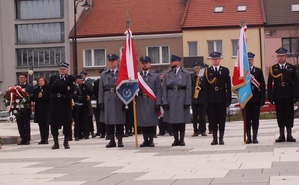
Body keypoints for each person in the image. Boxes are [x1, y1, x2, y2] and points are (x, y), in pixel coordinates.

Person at [268, 47, 299, 142]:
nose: (281, 58)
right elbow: (269, 84)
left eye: (283, 56)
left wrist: (296, 95)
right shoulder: (273, 69)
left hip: (289, 95)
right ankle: (281, 135)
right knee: (280, 115)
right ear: (277, 57)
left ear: (286, 57)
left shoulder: (291, 68)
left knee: (289, 115)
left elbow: (296, 83)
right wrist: (270, 96)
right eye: (279, 56)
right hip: (278, 96)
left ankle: (289, 134)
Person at [162, 54, 191, 146]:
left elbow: (188, 88)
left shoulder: (185, 73)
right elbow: (164, 89)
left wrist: (187, 101)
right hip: (171, 97)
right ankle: (175, 139)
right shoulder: (167, 74)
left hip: (181, 96)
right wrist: (165, 101)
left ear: (178, 62)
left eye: (173, 61)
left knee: (181, 120)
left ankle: (182, 139)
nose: (171, 63)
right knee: (173, 120)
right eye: (171, 61)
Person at [203, 52, 231, 145]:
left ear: (219, 60)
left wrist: (228, 99)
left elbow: (228, 86)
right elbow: (205, 87)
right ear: (211, 60)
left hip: (222, 98)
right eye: (213, 59)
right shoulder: (207, 71)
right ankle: (214, 138)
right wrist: (206, 101)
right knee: (213, 119)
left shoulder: (225, 71)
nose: (215, 60)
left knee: (221, 119)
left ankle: (221, 138)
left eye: (216, 59)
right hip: (211, 100)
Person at [98, 54, 126, 148]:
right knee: (109, 121)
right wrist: (100, 101)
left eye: (113, 61)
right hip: (108, 98)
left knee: (119, 121)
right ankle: (111, 140)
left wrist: (126, 101)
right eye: (110, 61)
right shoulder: (104, 74)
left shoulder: (121, 72)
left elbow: (126, 87)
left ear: (117, 62)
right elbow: (101, 89)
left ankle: (120, 140)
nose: (111, 62)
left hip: (119, 98)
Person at [48, 62, 75, 149]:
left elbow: (70, 90)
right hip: (55, 103)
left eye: (63, 69)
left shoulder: (70, 78)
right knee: (53, 123)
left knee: (67, 123)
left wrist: (62, 85)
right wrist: (54, 85)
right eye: (60, 69)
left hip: (65, 102)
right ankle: (56, 142)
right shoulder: (53, 78)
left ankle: (66, 142)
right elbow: (49, 89)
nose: (62, 71)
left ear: (67, 70)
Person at [136, 56, 162, 147]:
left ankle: (151, 140)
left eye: (146, 63)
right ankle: (145, 140)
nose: (144, 65)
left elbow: (158, 90)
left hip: (151, 100)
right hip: (141, 100)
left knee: (151, 121)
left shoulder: (155, 76)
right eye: (143, 63)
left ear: (149, 64)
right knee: (143, 122)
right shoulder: (137, 76)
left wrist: (158, 103)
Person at [244, 52, 265, 144]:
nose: (249, 61)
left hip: (256, 99)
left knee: (255, 119)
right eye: (248, 60)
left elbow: (263, 86)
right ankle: (248, 137)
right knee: (247, 119)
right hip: (246, 99)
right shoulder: (243, 72)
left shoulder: (258, 71)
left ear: (253, 60)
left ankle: (255, 136)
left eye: (251, 60)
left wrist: (262, 98)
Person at [31, 76, 51, 144]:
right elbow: (33, 98)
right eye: (39, 81)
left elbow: (49, 97)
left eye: (41, 81)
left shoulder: (48, 89)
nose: (40, 82)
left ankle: (46, 138)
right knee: (40, 124)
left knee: (45, 124)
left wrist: (42, 96)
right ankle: (42, 138)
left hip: (46, 108)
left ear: (45, 81)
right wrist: (37, 96)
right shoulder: (37, 89)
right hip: (39, 109)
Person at [16, 73, 34, 145]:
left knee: (26, 124)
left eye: (22, 77)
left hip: (26, 108)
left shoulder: (30, 86)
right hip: (17, 109)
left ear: (26, 78)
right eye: (20, 77)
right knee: (19, 124)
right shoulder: (16, 86)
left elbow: (31, 96)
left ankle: (27, 139)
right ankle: (22, 138)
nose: (21, 79)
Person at [191, 63, 207, 137]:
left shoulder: (203, 77)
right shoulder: (192, 77)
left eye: (198, 68)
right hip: (194, 99)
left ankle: (203, 130)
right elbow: (190, 87)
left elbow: (206, 88)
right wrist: (194, 89)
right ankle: (195, 131)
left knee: (202, 116)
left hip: (202, 99)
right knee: (194, 116)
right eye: (196, 68)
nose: (197, 69)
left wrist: (201, 84)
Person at [75, 74, 93, 140]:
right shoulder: (75, 87)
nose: (80, 81)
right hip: (76, 105)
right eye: (79, 80)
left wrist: (89, 96)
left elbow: (91, 92)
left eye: (81, 80)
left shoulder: (85, 86)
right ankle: (78, 135)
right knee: (77, 121)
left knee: (85, 120)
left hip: (84, 105)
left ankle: (86, 134)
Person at [79, 71, 95, 138]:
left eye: (83, 75)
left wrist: (89, 96)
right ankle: (83, 132)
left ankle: (91, 131)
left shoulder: (88, 83)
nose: (82, 76)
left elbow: (91, 92)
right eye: (81, 75)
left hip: (87, 102)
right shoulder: (78, 83)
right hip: (81, 102)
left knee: (89, 117)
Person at [93, 69, 106, 138]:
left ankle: (107, 132)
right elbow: (94, 92)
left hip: (107, 101)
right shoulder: (97, 82)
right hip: (99, 101)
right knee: (99, 118)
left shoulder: (107, 81)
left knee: (107, 117)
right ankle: (101, 131)